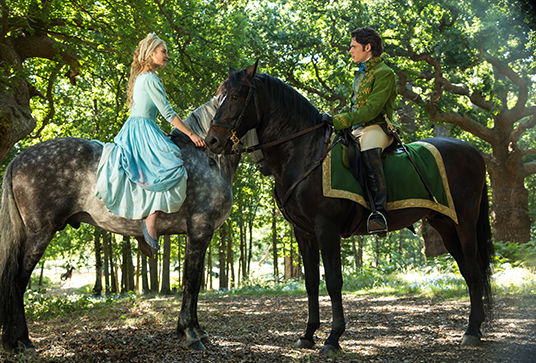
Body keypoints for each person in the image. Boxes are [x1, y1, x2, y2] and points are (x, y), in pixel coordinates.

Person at [95, 33, 205, 250]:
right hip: (142, 129)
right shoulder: (151, 79)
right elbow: (166, 112)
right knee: (170, 166)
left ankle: (147, 218)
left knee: (158, 165)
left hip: (139, 127)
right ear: (151, 53)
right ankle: (150, 221)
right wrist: (191, 134)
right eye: (163, 51)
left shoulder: (142, 77)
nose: (167, 56)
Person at [331, 27, 397, 234]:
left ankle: (379, 213)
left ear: (367, 47)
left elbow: (370, 111)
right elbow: (355, 109)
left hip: (377, 128)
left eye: (353, 47)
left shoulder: (384, 73)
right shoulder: (360, 74)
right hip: (357, 129)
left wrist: (338, 121)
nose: (350, 51)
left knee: (368, 149)